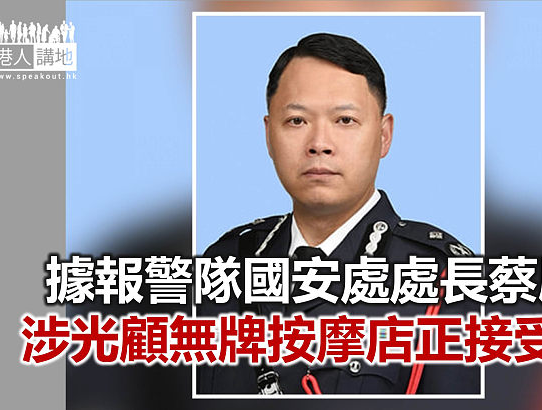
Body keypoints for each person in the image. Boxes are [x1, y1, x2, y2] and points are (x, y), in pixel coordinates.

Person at [197, 33, 479, 395]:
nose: (319, 144)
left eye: (345, 120)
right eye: (296, 121)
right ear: (268, 135)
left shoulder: (447, 282)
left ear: (384, 135)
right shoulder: (225, 264)